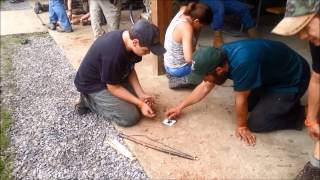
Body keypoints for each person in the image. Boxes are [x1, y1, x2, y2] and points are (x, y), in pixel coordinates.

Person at [166, 39, 310, 145]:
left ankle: (303, 113)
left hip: (292, 79)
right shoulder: (218, 56)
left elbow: (241, 98)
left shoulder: (243, 63)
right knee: (250, 105)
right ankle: (278, 103)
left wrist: (242, 126)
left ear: (219, 70)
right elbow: (205, 86)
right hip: (270, 74)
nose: (204, 79)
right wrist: (180, 107)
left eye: (205, 75)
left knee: (257, 123)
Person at [74, 20, 166, 127]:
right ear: (135, 42)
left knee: (137, 102)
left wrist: (141, 95)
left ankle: (130, 101)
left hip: (111, 77)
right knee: (130, 117)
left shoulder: (130, 40)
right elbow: (113, 88)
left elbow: (130, 69)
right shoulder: (113, 54)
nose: (148, 53)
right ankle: (88, 101)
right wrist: (140, 103)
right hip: (94, 85)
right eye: (146, 50)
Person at [272, 0, 320, 179]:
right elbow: (317, 79)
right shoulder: (317, 42)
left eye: (305, 26)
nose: (302, 36)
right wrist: (311, 120)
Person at [164, 2, 213, 89]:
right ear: (196, 21)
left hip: (168, 63)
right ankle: (184, 79)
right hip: (177, 69)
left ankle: (173, 75)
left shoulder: (184, 10)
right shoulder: (186, 28)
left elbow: (184, 7)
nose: (202, 28)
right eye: (202, 25)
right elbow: (189, 59)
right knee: (210, 68)